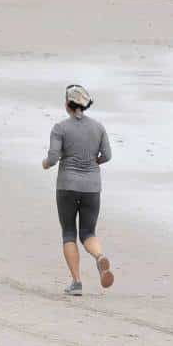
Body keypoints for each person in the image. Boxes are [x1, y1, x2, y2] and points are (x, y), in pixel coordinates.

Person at [42, 84, 114, 296]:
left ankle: (76, 282)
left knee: (69, 233)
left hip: (67, 185)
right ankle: (100, 256)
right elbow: (107, 156)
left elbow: (54, 158)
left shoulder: (60, 128)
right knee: (88, 232)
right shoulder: (99, 127)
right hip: (92, 186)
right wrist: (93, 163)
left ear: (67, 105)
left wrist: (45, 163)